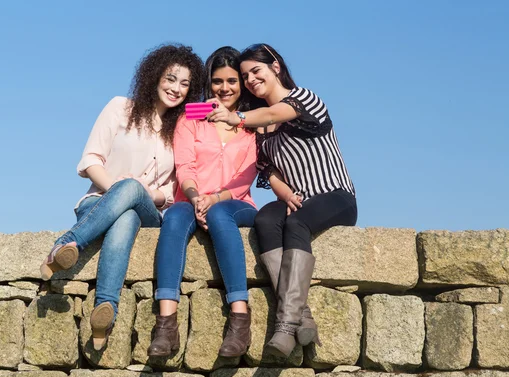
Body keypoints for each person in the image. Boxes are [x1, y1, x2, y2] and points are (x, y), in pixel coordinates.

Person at [40, 44, 204, 351]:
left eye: (185, 84)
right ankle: (106, 311)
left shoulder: (183, 122)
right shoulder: (120, 107)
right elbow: (90, 161)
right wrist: (119, 190)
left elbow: (220, 111)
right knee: (124, 212)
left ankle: (67, 243)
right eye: (170, 78)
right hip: (98, 202)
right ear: (154, 76)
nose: (176, 89)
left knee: (132, 196)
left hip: (150, 209)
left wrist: (142, 192)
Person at [207, 43, 357, 358]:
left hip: (335, 196)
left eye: (255, 71)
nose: (249, 80)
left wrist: (236, 117)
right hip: (297, 199)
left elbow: (276, 111)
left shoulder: (304, 98)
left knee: (296, 221)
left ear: (275, 66)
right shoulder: (262, 128)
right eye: (245, 76)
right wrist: (284, 191)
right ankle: (302, 316)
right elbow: (270, 170)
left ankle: (286, 326)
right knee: (264, 220)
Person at [148, 47, 260, 358]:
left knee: (222, 213)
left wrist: (213, 199)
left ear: (242, 84)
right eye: (217, 81)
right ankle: (166, 325)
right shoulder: (193, 117)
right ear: (208, 83)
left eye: (232, 81)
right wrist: (198, 197)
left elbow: (245, 177)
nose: (225, 88)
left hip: (235, 201)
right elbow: (185, 165)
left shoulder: (250, 122)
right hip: (191, 197)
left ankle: (240, 320)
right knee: (173, 218)